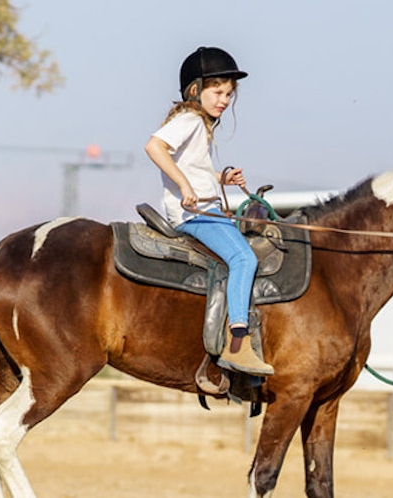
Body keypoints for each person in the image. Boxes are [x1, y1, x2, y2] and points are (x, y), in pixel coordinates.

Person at [143, 46, 271, 376]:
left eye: (229, 93)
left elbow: (194, 168)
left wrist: (221, 178)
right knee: (244, 258)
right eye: (217, 91)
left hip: (206, 209)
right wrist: (185, 187)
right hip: (195, 215)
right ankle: (238, 343)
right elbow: (154, 147)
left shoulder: (200, 124)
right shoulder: (189, 120)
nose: (224, 99)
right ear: (195, 90)